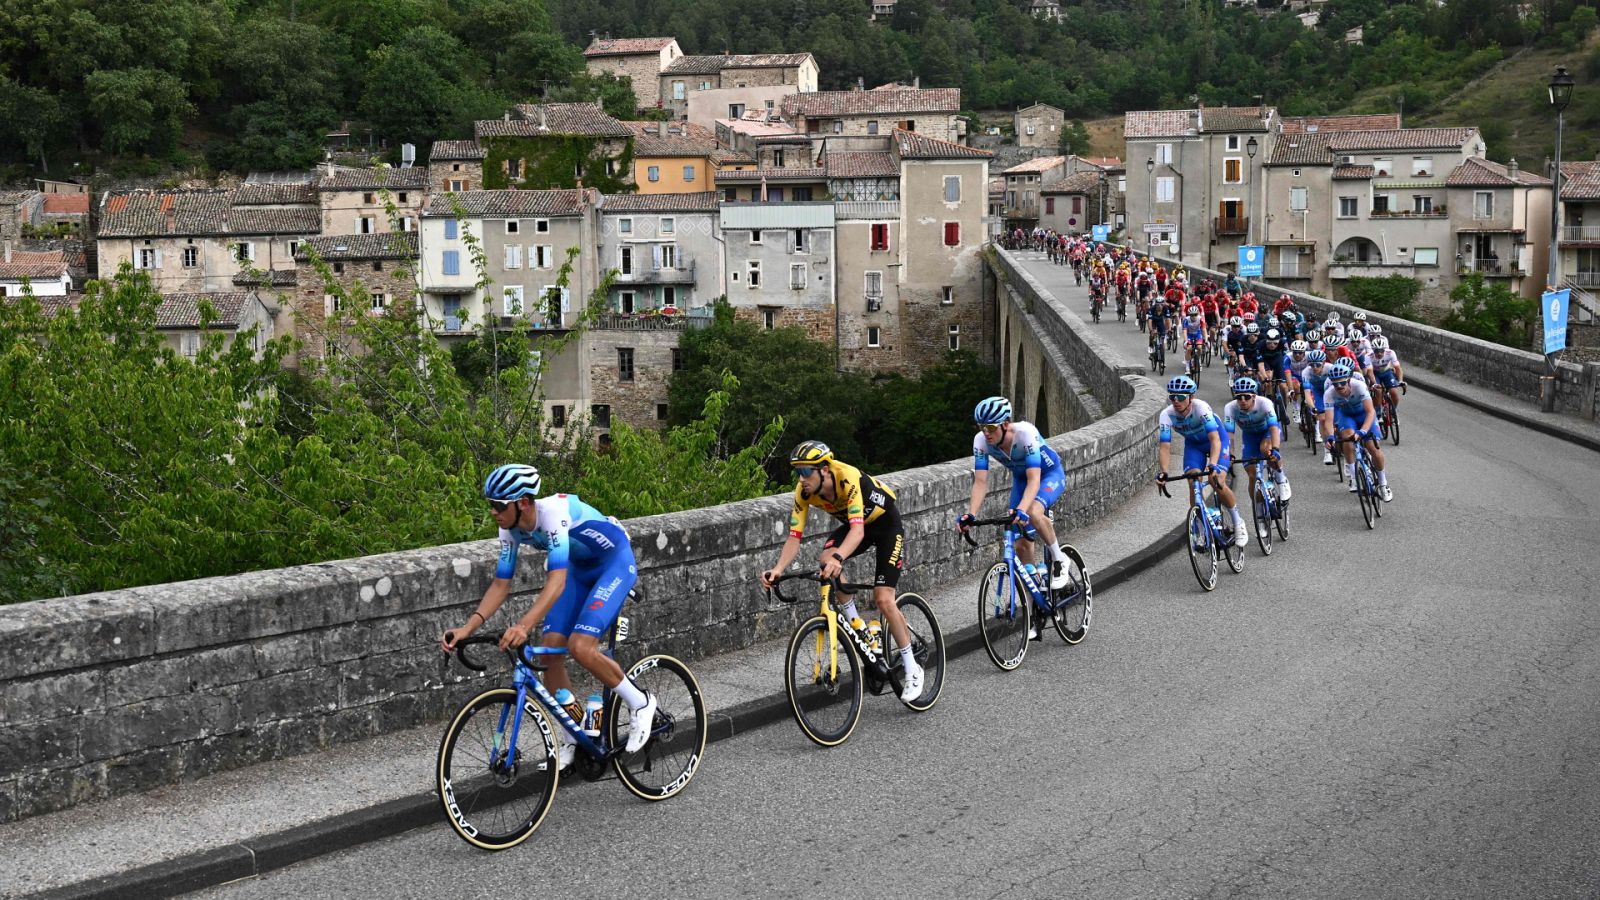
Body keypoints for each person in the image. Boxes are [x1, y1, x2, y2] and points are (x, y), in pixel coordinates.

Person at [442, 464, 657, 765]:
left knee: (581, 646)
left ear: (524, 502)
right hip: (579, 571)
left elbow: (555, 583)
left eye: (498, 505)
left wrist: (523, 624)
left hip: (613, 564)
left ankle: (641, 702)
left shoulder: (553, 514)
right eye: (490, 504)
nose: (493, 511)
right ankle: (574, 736)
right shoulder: (509, 528)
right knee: (549, 653)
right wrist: (468, 627)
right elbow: (502, 583)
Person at [761, 440, 923, 703]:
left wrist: (839, 557)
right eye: (797, 472)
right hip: (856, 525)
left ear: (824, 469)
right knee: (825, 559)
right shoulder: (803, 493)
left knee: (883, 598)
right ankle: (859, 625)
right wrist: (778, 569)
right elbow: (794, 537)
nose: (801, 479)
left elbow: (858, 532)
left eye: (805, 472)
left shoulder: (846, 478)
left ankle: (912, 667)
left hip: (885, 526)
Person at [957, 396, 1073, 600]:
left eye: (991, 428)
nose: (986, 433)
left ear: (1005, 424)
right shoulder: (981, 442)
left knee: (1032, 512)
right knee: (1020, 543)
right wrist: (970, 514)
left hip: (1048, 475)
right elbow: (981, 482)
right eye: (982, 427)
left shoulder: (1024, 433)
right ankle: (1036, 604)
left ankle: (1059, 558)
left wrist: (1022, 508)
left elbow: (1035, 480)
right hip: (1021, 480)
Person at [1156, 376, 1247, 547]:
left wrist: (1212, 464)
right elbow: (1165, 447)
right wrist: (1164, 471)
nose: (1176, 401)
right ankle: (1199, 528)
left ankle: (1237, 521)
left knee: (1216, 480)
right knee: (1193, 480)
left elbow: (1215, 440)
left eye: (1181, 397)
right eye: (1172, 397)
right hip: (1194, 445)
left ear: (1191, 397)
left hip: (1217, 441)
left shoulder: (1201, 408)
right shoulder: (1166, 415)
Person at [1223, 377, 1292, 538]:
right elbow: (1229, 435)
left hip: (1267, 432)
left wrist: (1275, 449)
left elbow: (1274, 428)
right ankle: (1260, 516)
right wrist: (1230, 455)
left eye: (1246, 397)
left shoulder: (1265, 403)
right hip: (1250, 437)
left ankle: (1281, 478)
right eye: (1238, 397)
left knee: (1266, 450)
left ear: (1254, 396)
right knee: (1252, 475)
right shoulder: (1230, 408)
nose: (1242, 400)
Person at [1322, 363, 1393, 501]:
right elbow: (1329, 421)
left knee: (1373, 448)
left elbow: (1371, 411)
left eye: (1342, 383)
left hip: (1365, 416)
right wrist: (1330, 437)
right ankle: (1354, 477)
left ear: (1348, 380)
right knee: (1347, 440)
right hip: (1347, 417)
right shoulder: (1329, 394)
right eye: (1336, 384)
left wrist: (1363, 431)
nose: (1339, 387)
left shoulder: (1358, 386)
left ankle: (1383, 484)